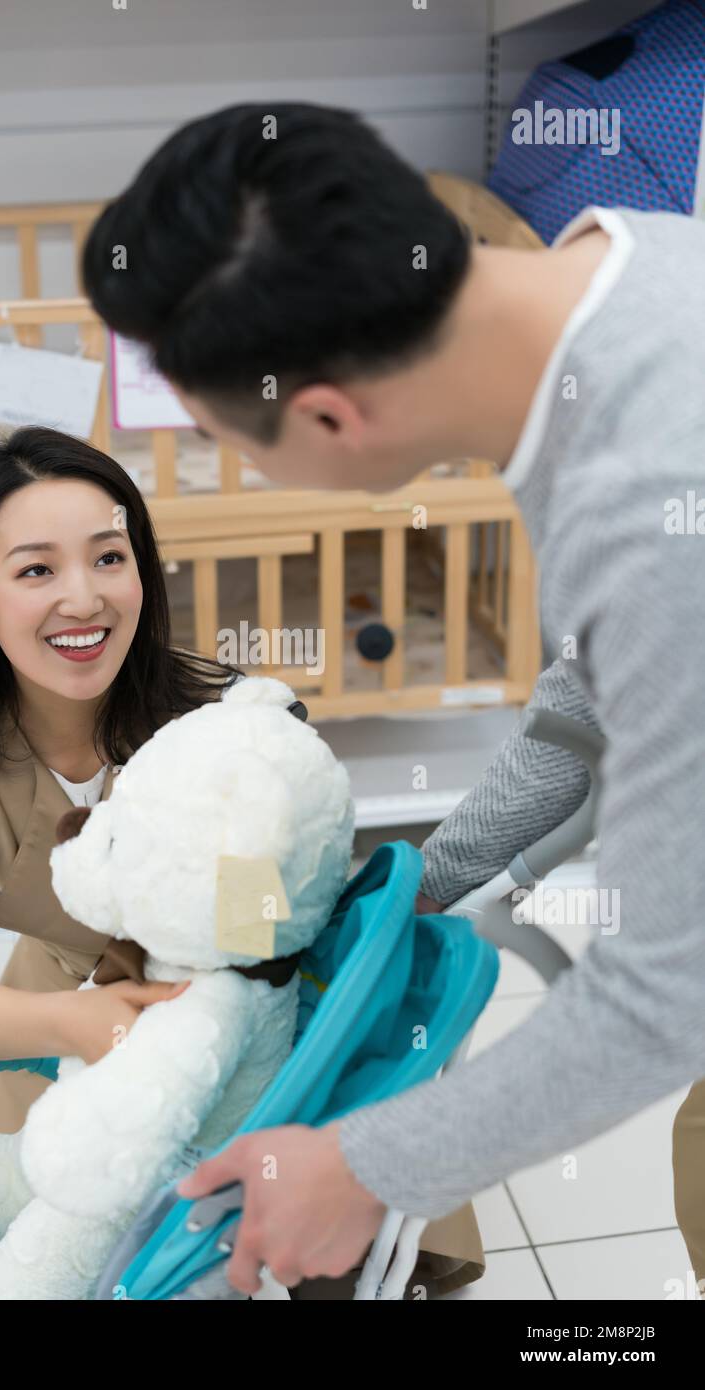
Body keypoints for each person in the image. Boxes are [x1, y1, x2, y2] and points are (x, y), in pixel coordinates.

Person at [79, 100, 705, 1298]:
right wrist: (421, 878)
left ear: (326, 415)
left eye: (237, 444)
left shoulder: (655, 503)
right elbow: (590, 698)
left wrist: (369, 1164)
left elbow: (668, 993)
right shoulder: (614, 273)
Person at [0, 425, 237, 1132]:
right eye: (36, 570)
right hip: (56, 1007)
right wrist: (75, 1023)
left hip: (227, 1001)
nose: (82, 600)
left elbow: (276, 917)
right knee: (24, 1207)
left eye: (108, 558)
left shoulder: (228, 718)